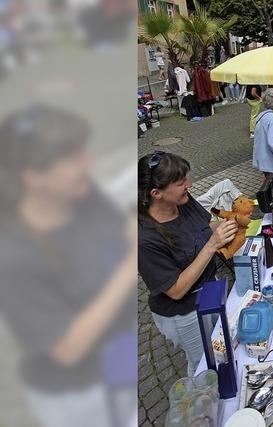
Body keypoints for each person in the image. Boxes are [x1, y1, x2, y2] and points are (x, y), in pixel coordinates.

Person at [0, 106, 137, 427]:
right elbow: (66, 349)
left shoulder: (85, 199)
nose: (88, 163)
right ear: (33, 177)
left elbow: (118, 229)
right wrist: (130, 264)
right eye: (73, 158)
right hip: (82, 397)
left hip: (120, 360)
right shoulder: (14, 257)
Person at [138, 152, 238, 377]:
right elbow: (176, 290)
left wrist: (229, 226)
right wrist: (212, 245)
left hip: (209, 290)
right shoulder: (144, 239)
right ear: (156, 194)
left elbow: (206, 225)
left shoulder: (183, 201)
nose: (189, 185)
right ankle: (204, 404)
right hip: (184, 312)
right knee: (203, 364)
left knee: (220, 346)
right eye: (181, 182)